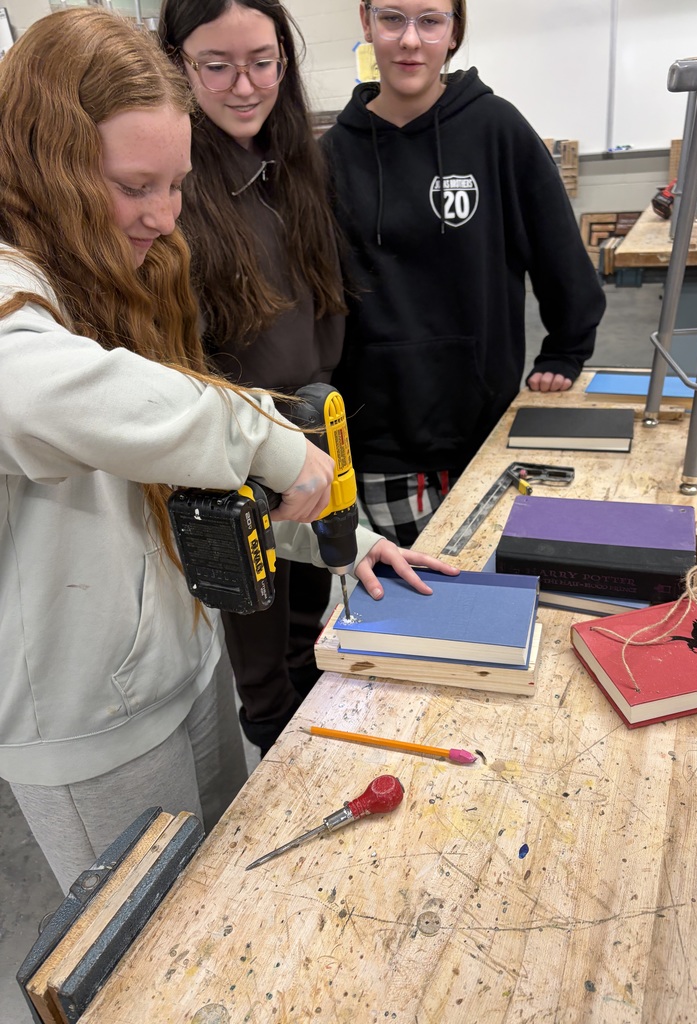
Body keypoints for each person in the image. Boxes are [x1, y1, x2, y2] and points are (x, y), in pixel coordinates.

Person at [0, 6, 456, 892]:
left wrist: (343, 540)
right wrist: (272, 443)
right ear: (45, 168)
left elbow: (189, 472)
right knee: (136, 963)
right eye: (135, 187)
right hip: (90, 720)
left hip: (181, 666)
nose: (164, 218)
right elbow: (115, 405)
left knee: (209, 901)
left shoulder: (114, 274)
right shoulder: (15, 296)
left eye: (174, 185)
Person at [322, 0, 607, 546]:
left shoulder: (495, 127)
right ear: (366, 21)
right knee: (427, 602)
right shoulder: (331, 155)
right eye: (392, 19)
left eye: (430, 20)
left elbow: (557, 247)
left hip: (490, 424)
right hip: (382, 439)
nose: (410, 40)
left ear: (454, 31)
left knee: (504, 585)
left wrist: (567, 349)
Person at [157, 0, 349, 757]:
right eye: (217, 65)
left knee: (309, 626)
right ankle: (276, 775)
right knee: (261, 663)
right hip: (233, 460)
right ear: (177, 61)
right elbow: (179, 362)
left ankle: (308, 752)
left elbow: (324, 303)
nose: (245, 86)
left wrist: (316, 410)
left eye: (263, 62)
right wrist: (254, 453)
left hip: (309, 431)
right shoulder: (175, 187)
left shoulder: (296, 159)